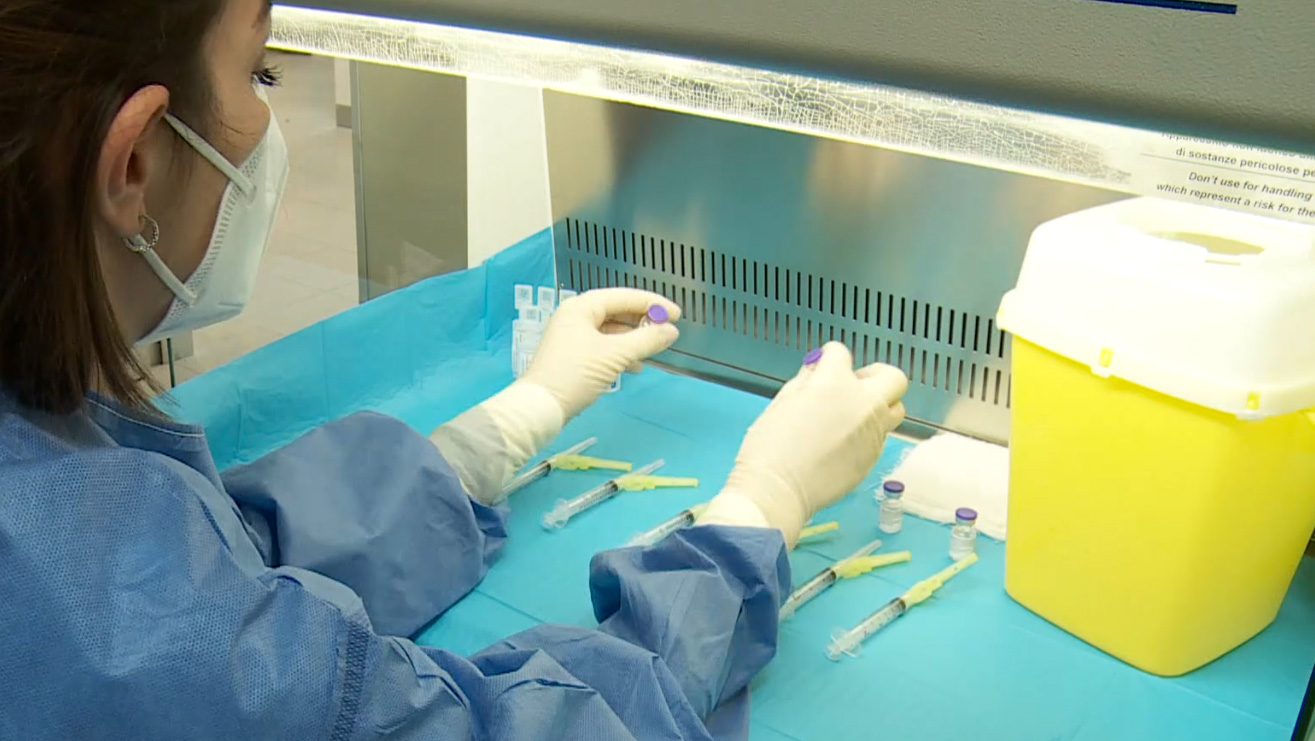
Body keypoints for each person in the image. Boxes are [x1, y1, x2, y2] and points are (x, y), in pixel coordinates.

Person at [0, 0, 909, 738]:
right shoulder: (101, 613)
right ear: (133, 160)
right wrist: (756, 514)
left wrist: (508, 424)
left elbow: (219, 572)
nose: (265, 116)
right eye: (258, 71)